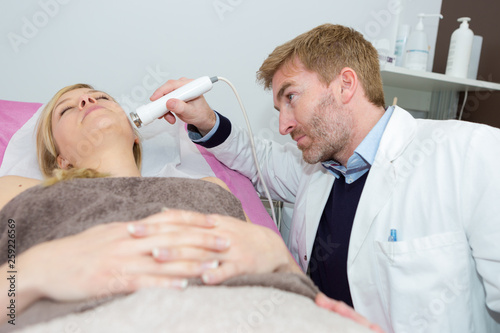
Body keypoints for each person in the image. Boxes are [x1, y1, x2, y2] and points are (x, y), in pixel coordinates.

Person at [152, 24, 500, 332]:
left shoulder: (468, 153)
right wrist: (204, 118)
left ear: (345, 85)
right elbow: (255, 158)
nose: (283, 125)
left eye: (291, 97)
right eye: (278, 109)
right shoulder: (314, 173)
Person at [0, 83, 382, 331]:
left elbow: (279, 269)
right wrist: (38, 270)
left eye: (101, 97)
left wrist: (287, 268)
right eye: (66, 109)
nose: (87, 100)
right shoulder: (17, 191)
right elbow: (10, 300)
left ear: (136, 129)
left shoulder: (209, 188)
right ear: (60, 160)